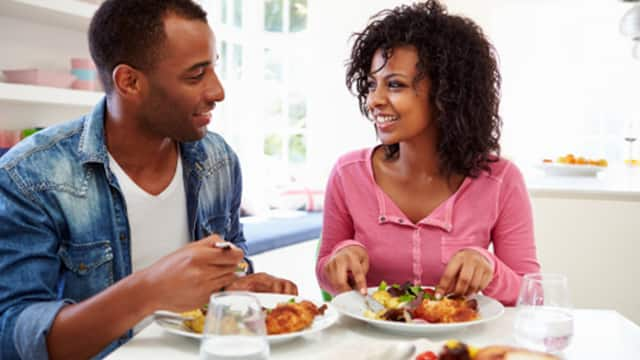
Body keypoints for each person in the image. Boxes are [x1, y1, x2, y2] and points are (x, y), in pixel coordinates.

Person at [0, 1, 297, 359]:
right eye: (195, 75)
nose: (218, 91)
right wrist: (149, 290)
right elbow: (14, 335)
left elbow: (233, 251)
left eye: (213, 69)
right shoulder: (31, 176)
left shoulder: (218, 159)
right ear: (129, 81)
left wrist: (236, 284)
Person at [316, 0, 540, 306]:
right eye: (371, 85)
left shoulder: (501, 180)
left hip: (462, 346)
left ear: (448, 93)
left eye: (395, 85)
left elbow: (532, 293)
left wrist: (490, 268)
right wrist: (338, 260)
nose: (374, 100)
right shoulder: (347, 173)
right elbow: (326, 275)